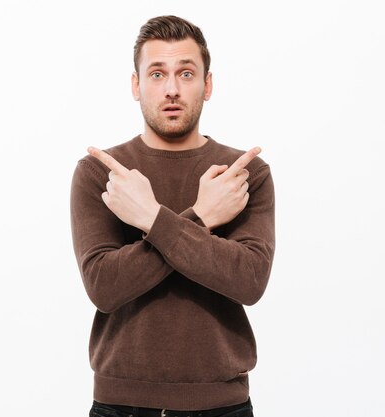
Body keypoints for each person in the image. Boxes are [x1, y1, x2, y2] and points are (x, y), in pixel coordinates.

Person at [70, 15, 275, 417]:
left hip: (222, 406)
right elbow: (104, 288)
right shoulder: (104, 174)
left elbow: (249, 281)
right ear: (136, 85)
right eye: (157, 74)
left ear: (208, 84)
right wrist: (200, 216)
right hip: (120, 405)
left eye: (186, 73)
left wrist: (151, 218)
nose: (172, 89)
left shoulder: (240, 175)